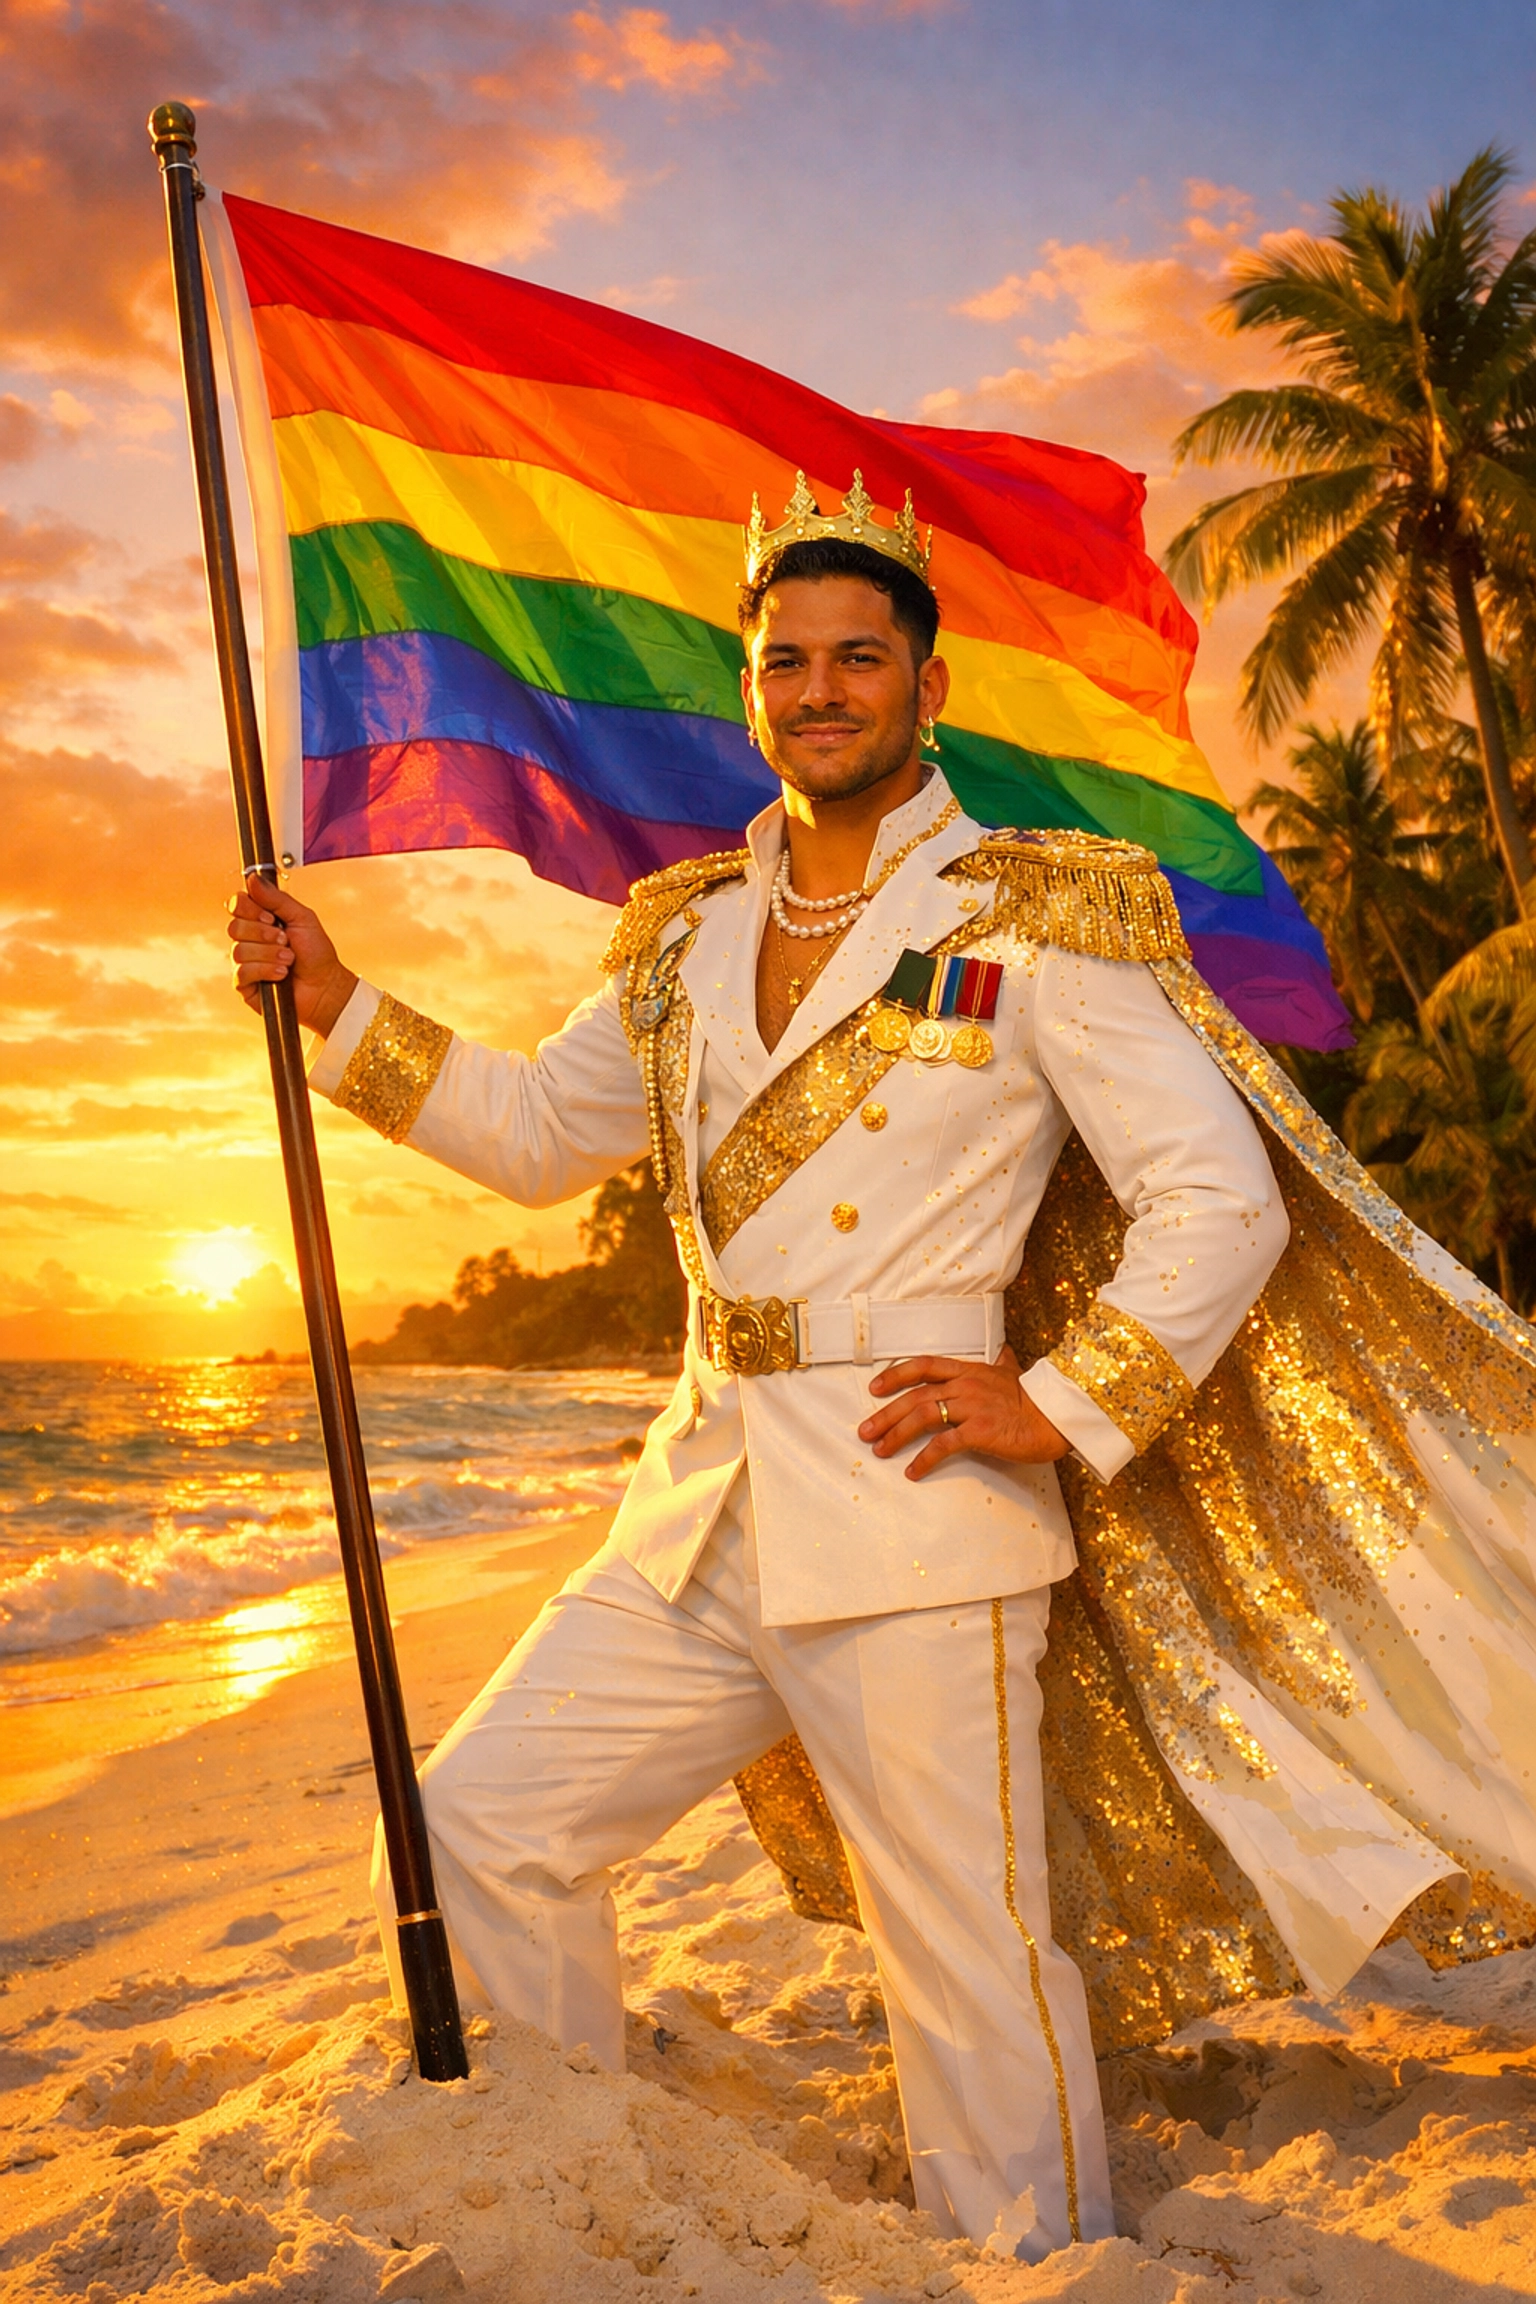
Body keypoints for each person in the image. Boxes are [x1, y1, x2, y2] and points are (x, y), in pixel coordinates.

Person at [226, 479, 1300, 2259]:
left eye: (856, 657)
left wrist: (1063, 1400)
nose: (819, 688)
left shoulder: (1037, 911)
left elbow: (1218, 1194)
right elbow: (533, 1133)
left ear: (927, 686)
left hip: (915, 1501)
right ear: (749, 692)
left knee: (962, 1951)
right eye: (784, 659)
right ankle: (577, 2187)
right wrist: (340, 1002)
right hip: (702, 1499)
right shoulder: (683, 929)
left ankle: (1028, 2267)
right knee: (479, 1832)